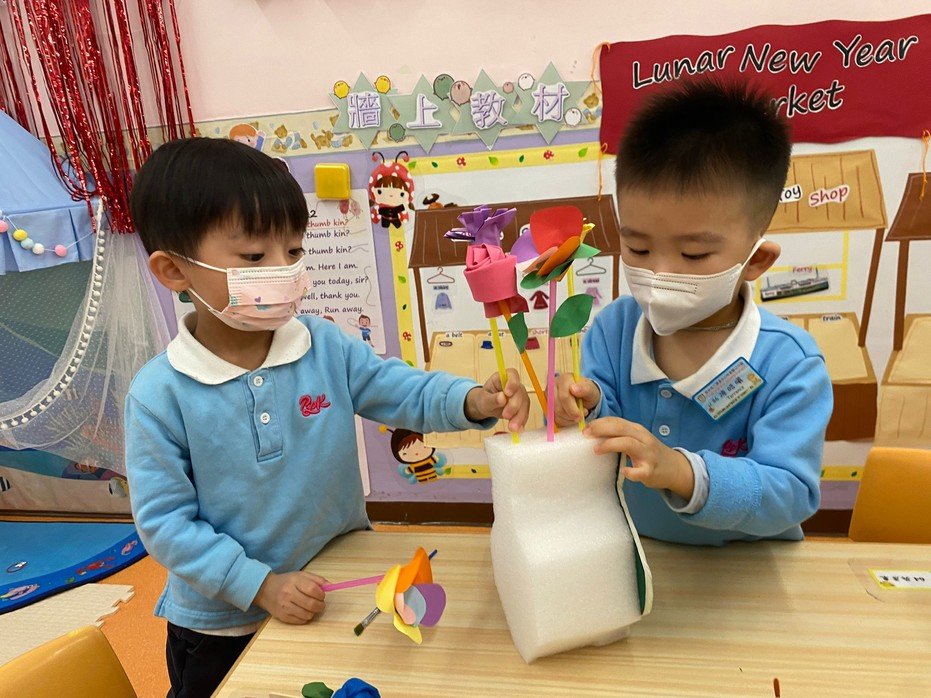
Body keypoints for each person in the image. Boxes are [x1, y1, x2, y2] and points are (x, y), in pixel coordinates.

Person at [126, 138, 530, 696]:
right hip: (223, 623)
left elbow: (400, 389)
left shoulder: (322, 344)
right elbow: (166, 525)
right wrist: (260, 585)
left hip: (334, 580)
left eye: (293, 250)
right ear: (174, 270)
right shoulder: (159, 394)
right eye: (254, 258)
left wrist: (471, 400)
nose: (284, 270)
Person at [555, 80, 832, 546]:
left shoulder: (790, 363)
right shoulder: (612, 330)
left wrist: (683, 472)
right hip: (643, 552)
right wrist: (583, 404)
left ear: (756, 261)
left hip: (747, 567)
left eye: (694, 254)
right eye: (638, 247)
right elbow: (605, 431)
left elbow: (791, 492)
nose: (659, 274)